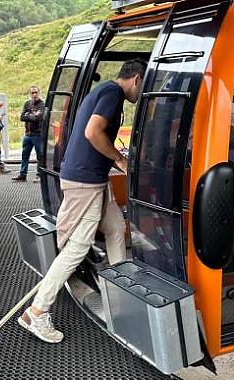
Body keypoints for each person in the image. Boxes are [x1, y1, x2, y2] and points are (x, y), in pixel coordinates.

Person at [19, 58, 147, 343]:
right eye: (144, 85)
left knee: (115, 228)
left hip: (93, 180)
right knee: (76, 249)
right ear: (137, 80)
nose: (141, 94)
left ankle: (120, 297)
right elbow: (92, 132)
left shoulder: (102, 91)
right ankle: (36, 312)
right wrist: (119, 159)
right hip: (84, 182)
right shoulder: (113, 94)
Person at [12, 85, 45, 182]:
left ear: (39, 93)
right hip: (28, 135)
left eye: (36, 92)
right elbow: (22, 117)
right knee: (24, 155)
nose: (34, 94)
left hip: (37, 135)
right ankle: (23, 175)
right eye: (32, 93)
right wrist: (32, 115)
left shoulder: (42, 105)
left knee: (40, 156)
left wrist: (28, 115)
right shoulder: (27, 104)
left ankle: (39, 175)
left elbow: (37, 118)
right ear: (30, 94)